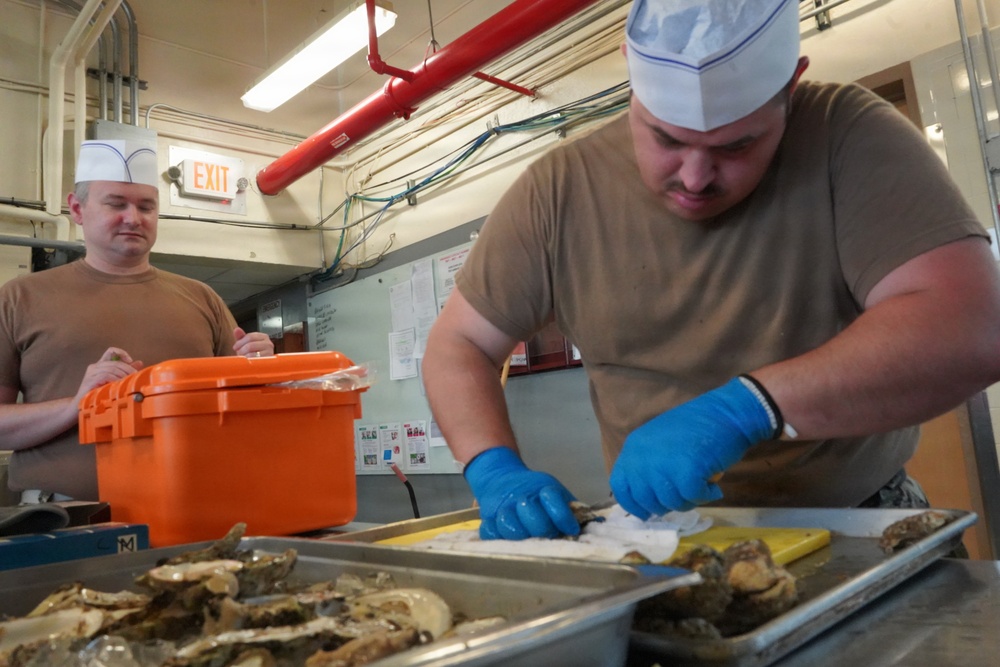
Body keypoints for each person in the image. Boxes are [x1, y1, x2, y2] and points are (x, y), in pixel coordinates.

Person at [421, 0, 1000, 540]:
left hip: (855, 517)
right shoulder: (557, 193)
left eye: (736, 146)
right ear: (630, 74)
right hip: (658, 535)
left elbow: (972, 326)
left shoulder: (846, 135)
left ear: (790, 86)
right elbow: (461, 343)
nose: (695, 178)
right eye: (666, 139)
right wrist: (493, 467)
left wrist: (750, 407)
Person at [0, 138, 274, 501]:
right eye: (116, 203)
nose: (133, 217)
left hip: (194, 504)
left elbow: (242, 415)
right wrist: (78, 405)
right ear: (77, 209)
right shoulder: (20, 297)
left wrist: (260, 374)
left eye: (146, 206)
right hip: (64, 519)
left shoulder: (202, 298)